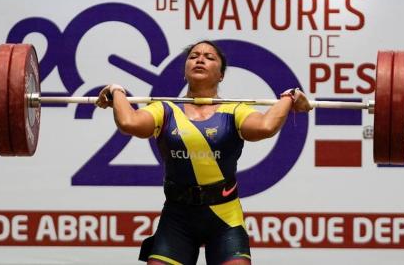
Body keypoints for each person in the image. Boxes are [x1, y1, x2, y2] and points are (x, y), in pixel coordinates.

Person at [95, 40, 312, 265]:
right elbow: (129, 122)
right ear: (185, 69)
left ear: (221, 75)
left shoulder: (235, 111)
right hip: (177, 217)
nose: (200, 59)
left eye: (209, 57)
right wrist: (116, 90)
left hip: (225, 217)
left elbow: (266, 127)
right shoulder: (165, 110)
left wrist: (289, 97)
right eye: (194, 56)